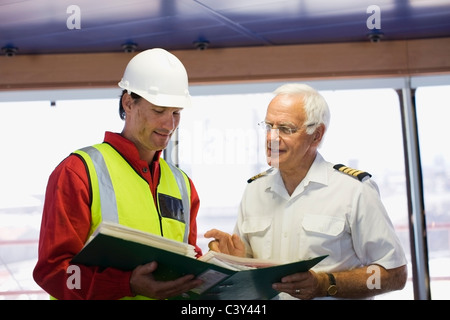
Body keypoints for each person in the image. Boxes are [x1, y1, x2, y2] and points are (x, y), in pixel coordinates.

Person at [205, 83, 408, 300]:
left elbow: (394, 275)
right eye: (268, 126)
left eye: (285, 129)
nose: (271, 138)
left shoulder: (354, 190)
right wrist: (235, 262)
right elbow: (249, 276)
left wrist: (326, 284)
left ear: (316, 135)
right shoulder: (254, 190)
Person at [33, 48, 203, 300]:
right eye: (159, 111)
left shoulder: (182, 185)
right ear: (128, 103)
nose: (170, 125)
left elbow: (189, 264)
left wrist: (214, 268)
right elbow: (54, 271)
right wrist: (126, 285)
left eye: (176, 113)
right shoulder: (78, 172)